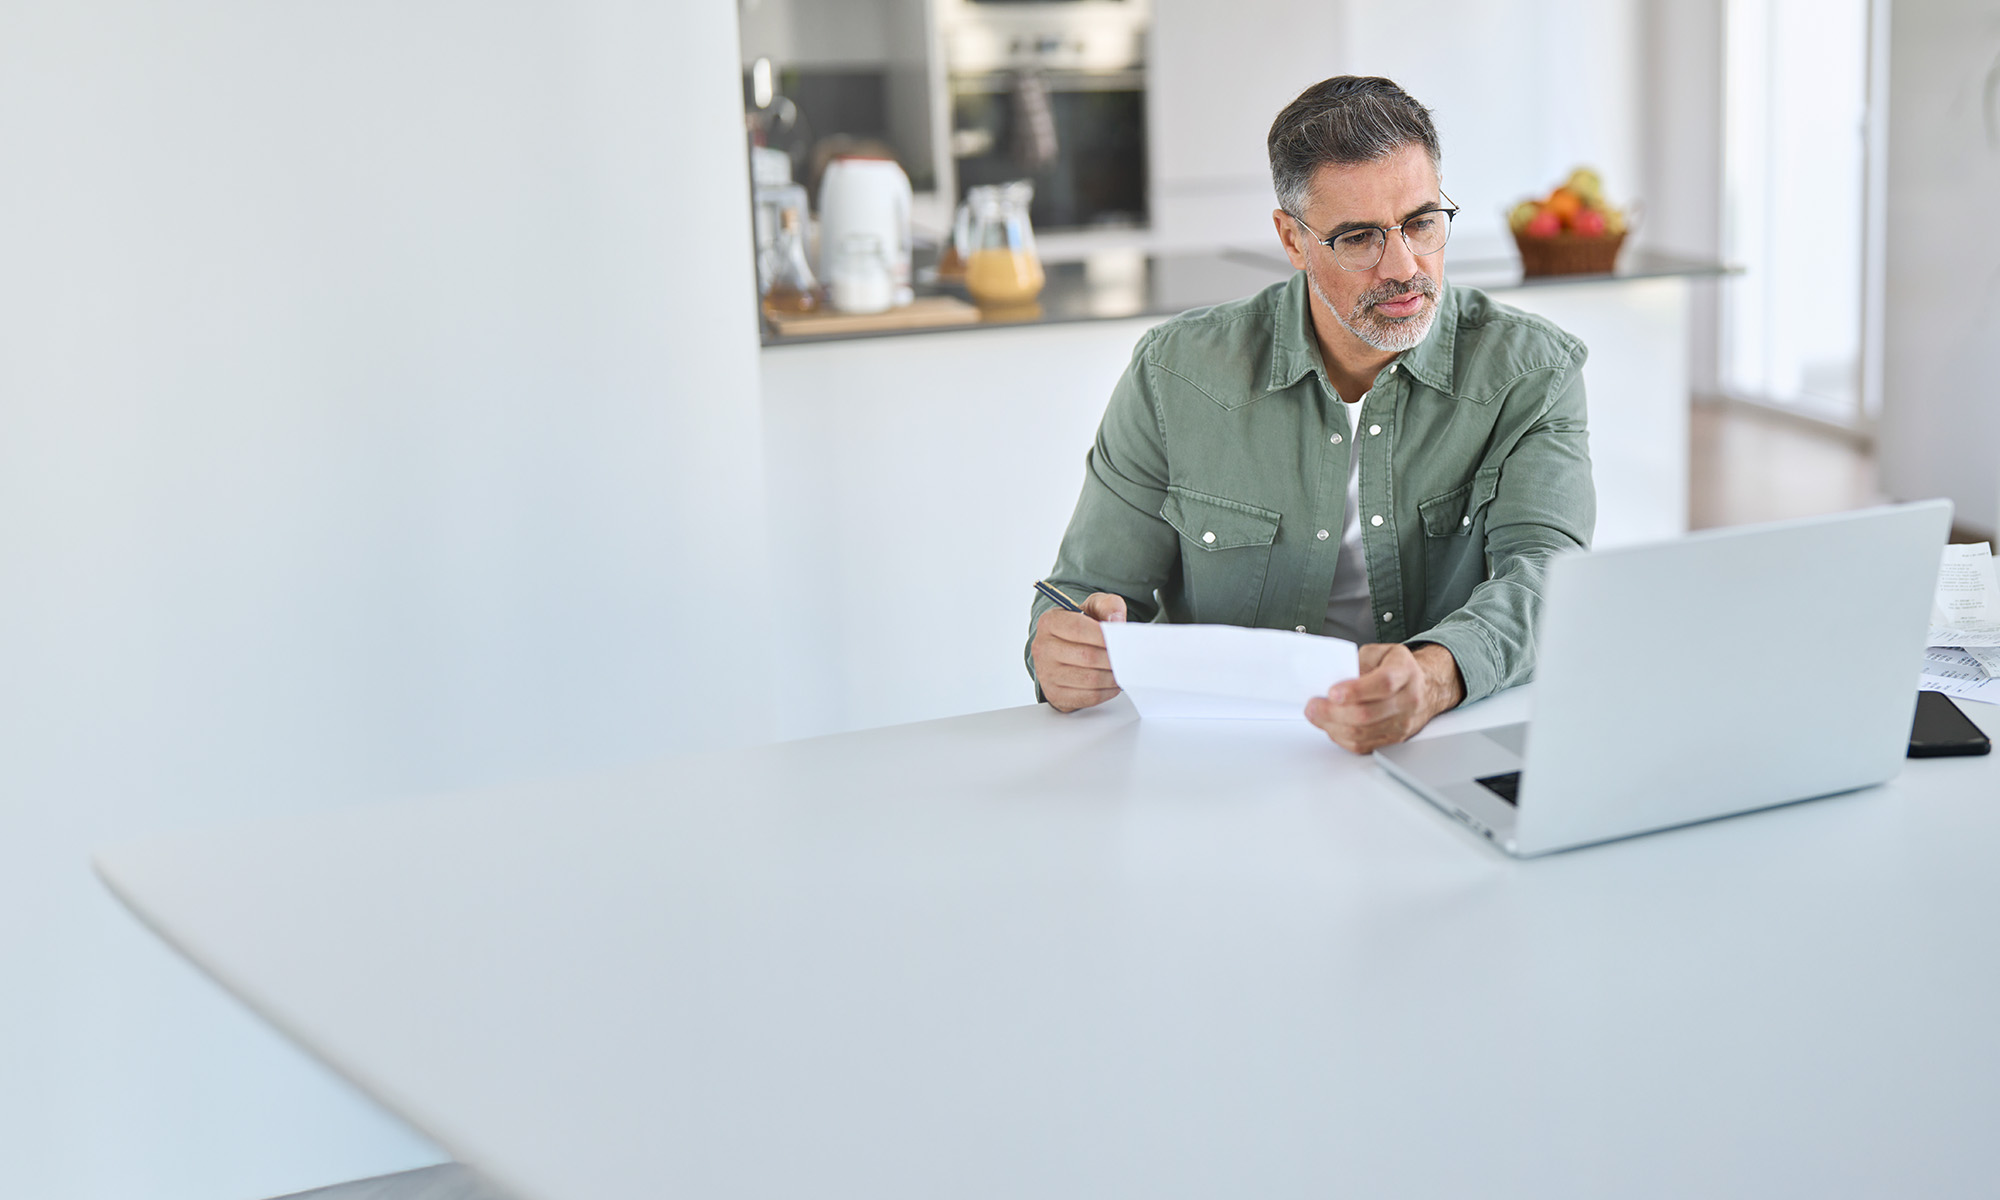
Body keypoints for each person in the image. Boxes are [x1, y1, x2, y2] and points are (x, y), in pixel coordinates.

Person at [1026, 75, 1595, 754]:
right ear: (1293, 241)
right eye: (1358, 238)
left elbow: (1547, 578)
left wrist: (1434, 677)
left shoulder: (1533, 371)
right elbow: (1081, 595)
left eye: (1421, 222)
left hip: (1443, 743)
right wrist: (1061, 652)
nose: (1403, 266)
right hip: (1228, 761)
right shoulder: (1173, 375)